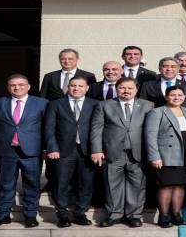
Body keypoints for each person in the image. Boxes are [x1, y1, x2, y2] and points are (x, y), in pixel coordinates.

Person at [89, 77, 155, 227]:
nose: (126, 91)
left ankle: (134, 215)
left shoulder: (148, 105)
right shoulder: (104, 105)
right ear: (116, 89)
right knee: (112, 185)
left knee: (137, 186)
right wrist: (97, 150)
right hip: (111, 152)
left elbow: (152, 130)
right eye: (122, 88)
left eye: (130, 88)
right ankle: (114, 215)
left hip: (138, 152)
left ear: (136, 90)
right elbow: (96, 129)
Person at [0, 74, 49, 228]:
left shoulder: (42, 103)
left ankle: (30, 215)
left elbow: (47, 128)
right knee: (6, 184)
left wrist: (47, 148)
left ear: (28, 86)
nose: (17, 87)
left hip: (32, 151)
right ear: (8, 88)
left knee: (32, 184)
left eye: (21, 84)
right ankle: (3, 214)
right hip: (6, 150)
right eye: (13, 85)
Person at [44, 76, 98, 227]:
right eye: (73, 85)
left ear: (87, 88)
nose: (76, 88)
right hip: (62, 150)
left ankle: (80, 213)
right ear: (68, 87)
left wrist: (98, 150)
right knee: (60, 183)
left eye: (80, 86)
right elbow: (49, 128)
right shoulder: (55, 104)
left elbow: (99, 129)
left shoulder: (95, 104)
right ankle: (62, 214)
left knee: (86, 184)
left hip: (88, 151)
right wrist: (52, 147)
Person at [39, 48, 97, 192]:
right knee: (55, 158)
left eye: (70, 59)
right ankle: (51, 182)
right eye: (63, 59)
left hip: (79, 121)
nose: (67, 61)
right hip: (58, 120)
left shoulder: (88, 76)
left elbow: (93, 97)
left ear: (77, 60)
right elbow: (43, 98)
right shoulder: (50, 76)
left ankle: (75, 184)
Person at [144, 86, 186, 228]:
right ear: (166, 97)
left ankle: (176, 215)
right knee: (166, 185)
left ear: (184, 97)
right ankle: (164, 216)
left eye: (180, 95)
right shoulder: (157, 112)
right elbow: (150, 136)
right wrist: (154, 156)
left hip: (185, 154)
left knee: (180, 184)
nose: (176, 98)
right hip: (165, 154)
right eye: (173, 95)